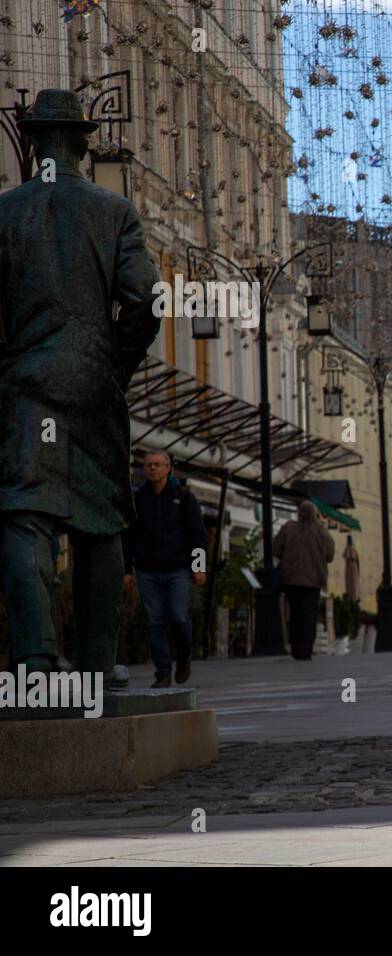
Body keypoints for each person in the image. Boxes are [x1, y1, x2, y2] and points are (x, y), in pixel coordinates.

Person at [0, 89, 161, 682]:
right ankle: (97, 665)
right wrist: (113, 365)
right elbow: (145, 299)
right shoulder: (114, 212)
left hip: (25, 384)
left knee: (25, 516)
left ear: (35, 141)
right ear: (84, 145)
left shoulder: (5, 212)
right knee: (100, 523)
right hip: (93, 382)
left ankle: (37, 660)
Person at [122, 451, 208, 687]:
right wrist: (127, 569)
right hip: (147, 570)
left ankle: (183, 657)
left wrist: (199, 567)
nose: (152, 469)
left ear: (168, 468)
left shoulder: (183, 497)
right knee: (154, 621)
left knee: (178, 616)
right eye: (148, 465)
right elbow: (129, 536)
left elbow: (198, 535)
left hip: (177, 569)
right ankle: (162, 671)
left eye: (157, 465)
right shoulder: (139, 499)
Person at [272, 501, 335, 660]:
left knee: (294, 614)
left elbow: (276, 548)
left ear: (299, 513)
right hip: (313, 582)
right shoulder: (322, 532)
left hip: (291, 580)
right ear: (314, 514)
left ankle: (296, 648)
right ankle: (306, 650)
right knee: (309, 616)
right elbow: (330, 555)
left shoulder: (289, 528)